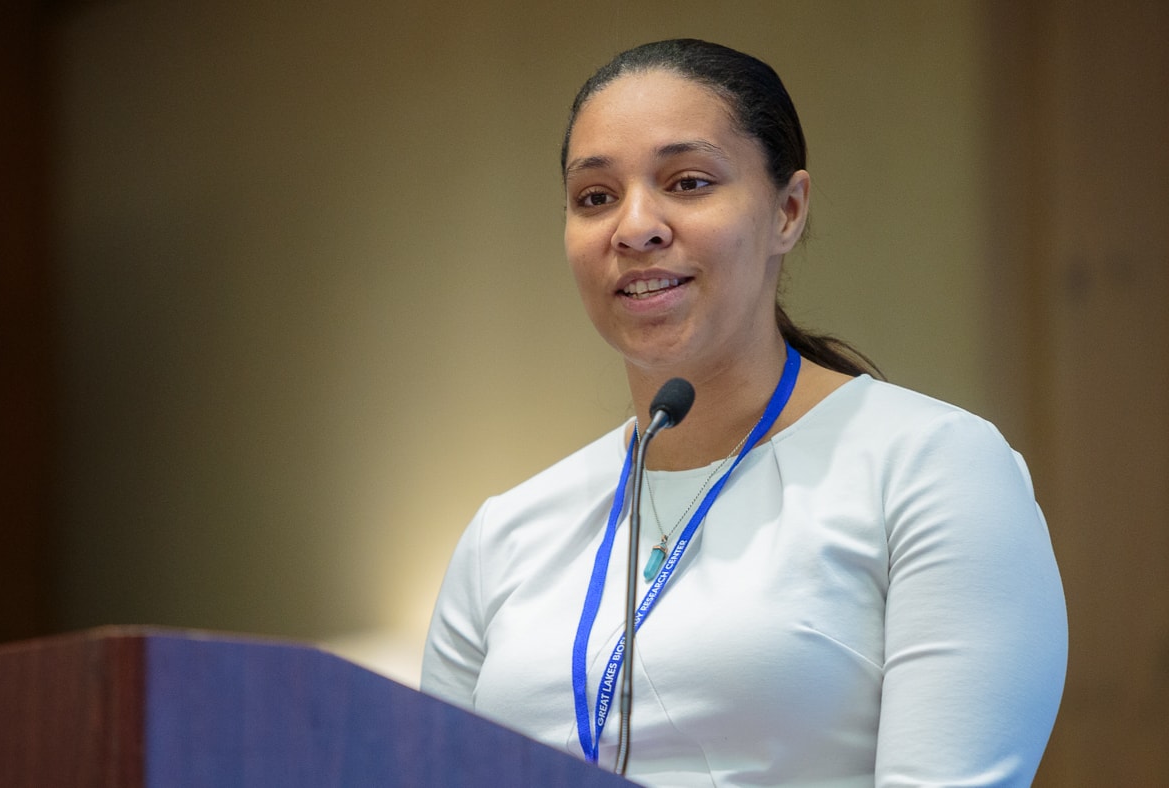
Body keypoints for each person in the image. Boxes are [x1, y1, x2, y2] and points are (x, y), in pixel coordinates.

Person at [420, 39, 1067, 787]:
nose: (635, 227)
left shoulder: (935, 468)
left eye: (688, 182)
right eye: (595, 197)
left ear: (788, 211)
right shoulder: (507, 534)